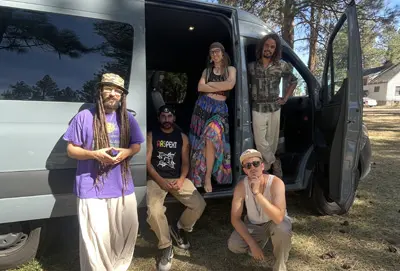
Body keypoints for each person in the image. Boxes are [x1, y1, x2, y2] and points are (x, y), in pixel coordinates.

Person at [63, 73, 145, 271]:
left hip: (122, 187)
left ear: (122, 96)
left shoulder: (127, 119)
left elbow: (136, 145)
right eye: (108, 89)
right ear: (100, 91)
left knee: (126, 233)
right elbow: (71, 150)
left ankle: (118, 268)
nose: (113, 94)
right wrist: (94, 154)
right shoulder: (84, 117)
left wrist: (126, 152)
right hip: (91, 187)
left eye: (117, 91)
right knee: (97, 239)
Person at [146, 105, 206, 271]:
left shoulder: (182, 137)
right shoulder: (152, 135)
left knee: (199, 204)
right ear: (159, 118)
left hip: (177, 179)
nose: (166, 120)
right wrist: (160, 181)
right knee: (154, 211)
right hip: (157, 179)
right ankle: (166, 246)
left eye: (169, 116)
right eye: (163, 117)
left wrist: (181, 179)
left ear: (174, 118)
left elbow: (185, 163)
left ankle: (178, 227)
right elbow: (148, 163)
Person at [227, 149, 292, 271]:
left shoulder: (276, 183)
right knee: (234, 245)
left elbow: (278, 217)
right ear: (245, 170)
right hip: (254, 224)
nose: (253, 167)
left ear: (262, 166)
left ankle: (280, 266)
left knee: (283, 228)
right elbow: (235, 219)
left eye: (256, 163)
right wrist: (252, 244)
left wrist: (257, 193)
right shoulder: (241, 187)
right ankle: (259, 242)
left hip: (274, 222)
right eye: (248, 165)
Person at [189, 42, 237, 192]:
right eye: (212, 52)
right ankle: (199, 177)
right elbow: (200, 87)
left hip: (219, 109)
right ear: (210, 57)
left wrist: (210, 85)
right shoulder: (207, 71)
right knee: (201, 144)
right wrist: (219, 85)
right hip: (203, 106)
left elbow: (230, 85)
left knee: (211, 135)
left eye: (217, 52)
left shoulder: (230, 69)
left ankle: (208, 176)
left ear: (223, 54)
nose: (215, 54)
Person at [248, 33, 298, 178]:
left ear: (275, 50)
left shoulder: (281, 65)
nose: (268, 49)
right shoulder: (251, 67)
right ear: (262, 46)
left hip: (274, 108)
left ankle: (266, 172)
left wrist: (286, 98)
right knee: (260, 142)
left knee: (271, 142)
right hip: (257, 108)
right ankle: (274, 162)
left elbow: (294, 81)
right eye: (267, 45)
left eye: (272, 47)